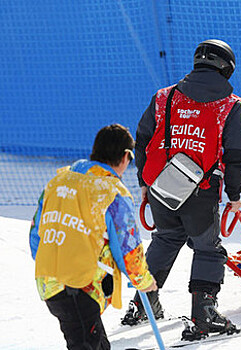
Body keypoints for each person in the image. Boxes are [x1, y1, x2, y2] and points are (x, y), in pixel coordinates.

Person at [122, 39, 241, 339]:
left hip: (160, 187)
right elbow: (236, 154)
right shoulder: (230, 105)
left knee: (166, 239)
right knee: (208, 248)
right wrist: (234, 195)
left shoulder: (163, 97)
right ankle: (204, 312)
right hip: (200, 191)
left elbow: (142, 140)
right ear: (227, 67)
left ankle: (143, 302)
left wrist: (143, 182)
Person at [29, 124, 157, 350]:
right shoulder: (111, 191)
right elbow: (128, 248)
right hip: (82, 286)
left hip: (49, 281)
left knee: (87, 339)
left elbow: (36, 235)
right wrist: (143, 280)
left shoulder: (57, 182)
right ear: (126, 156)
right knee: (87, 342)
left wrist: (55, 261)